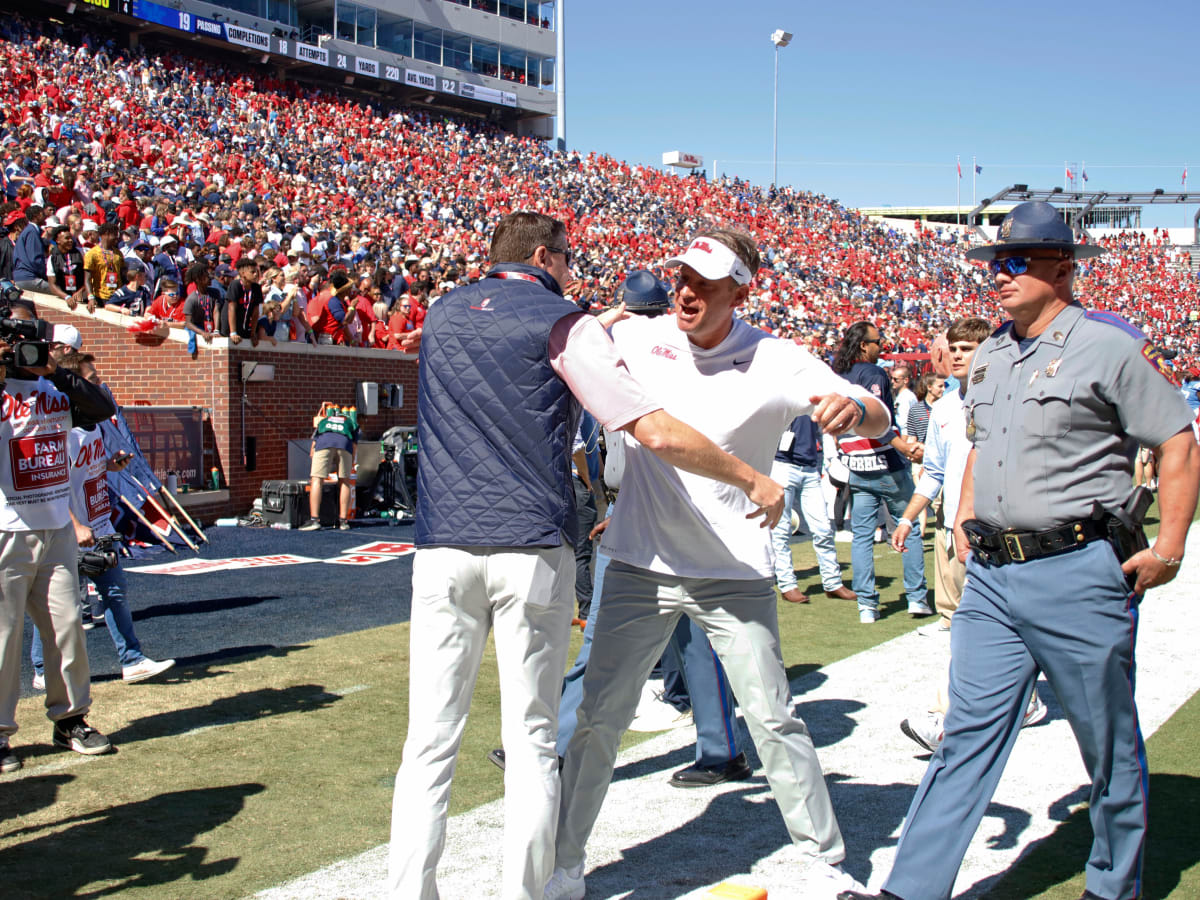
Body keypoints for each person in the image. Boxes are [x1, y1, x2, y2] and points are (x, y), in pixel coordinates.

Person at [387, 214, 786, 900]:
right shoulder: (563, 322)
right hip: (527, 547)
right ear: (544, 256)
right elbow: (651, 428)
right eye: (568, 259)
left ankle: (408, 892)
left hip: (442, 545)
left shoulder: (443, 310)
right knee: (534, 738)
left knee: (429, 739)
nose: (574, 270)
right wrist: (750, 478)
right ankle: (531, 892)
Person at [839, 201, 1200, 900]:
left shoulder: (1108, 347)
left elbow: (1177, 441)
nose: (996, 276)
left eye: (1013, 262)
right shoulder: (993, 356)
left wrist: (1171, 546)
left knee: (1106, 745)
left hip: (1079, 568)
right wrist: (969, 518)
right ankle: (910, 890)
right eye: (992, 263)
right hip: (996, 578)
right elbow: (980, 446)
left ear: (1061, 270)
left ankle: (1112, 887)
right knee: (965, 737)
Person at [547, 229, 891, 900]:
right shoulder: (641, 338)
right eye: (681, 277)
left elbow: (870, 414)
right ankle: (563, 864)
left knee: (774, 716)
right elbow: (569, 337)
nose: (686, 291)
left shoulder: (777, 357)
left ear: (742, 289)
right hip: (639, 564)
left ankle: (824, 863)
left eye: (704, 282)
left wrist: (861, 407)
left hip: (733, 571)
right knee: (597, 719)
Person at [1, 291, 117, 773]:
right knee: (3, 639)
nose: (26, 345)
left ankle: (70, 717)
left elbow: (101, 406)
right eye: (16, 338)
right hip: (6, 528)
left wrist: (56, 370)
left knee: (67, 627)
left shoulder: (56, 389)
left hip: (55, 526)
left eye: (33, 337)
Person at [29, 352, 175, 690]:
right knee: (56, 604)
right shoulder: (60, 429)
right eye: (92, 379)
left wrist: (109, 465)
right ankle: (41, 668)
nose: (99, 384)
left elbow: (84, 469)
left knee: (114, 592)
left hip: (99, 527)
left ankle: (132, 660)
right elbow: (50, 482)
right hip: (70, 532)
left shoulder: (91, 425)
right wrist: (74, 525)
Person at [832, 322, 928, 623]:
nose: (881, 346)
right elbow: (881, 423)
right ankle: (917, 597)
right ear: (864, 345)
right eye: (877, 341)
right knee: (906, 525)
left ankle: (867, 605)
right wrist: (906, 448)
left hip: (855, 463)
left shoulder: (838, 375)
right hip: (885, 461)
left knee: (862, 536)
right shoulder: (873, 374)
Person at [771, 415, 857, 603]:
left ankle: (833, 583)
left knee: (823, 528)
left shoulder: (810, 393)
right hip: (782, 464)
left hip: (809, 466)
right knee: (781, 531)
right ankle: (787, 585)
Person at [301, 402, 359, 532]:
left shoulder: (324, 421)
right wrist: (351, 463)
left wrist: (315, 458)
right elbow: (354, 445)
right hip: (344, 444)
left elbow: (313, 446)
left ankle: (314, 520)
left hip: (324, 443)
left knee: (317, 480)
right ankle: (343, 521)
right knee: (345, 481)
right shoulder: (351, 422)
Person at [890, 364, 917, 435]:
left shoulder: (906, 397)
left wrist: (903, 444)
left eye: (896, 379)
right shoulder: (902, 395)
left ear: (906, 380)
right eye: (891, 378)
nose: (892, 381)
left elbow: (905, 426)